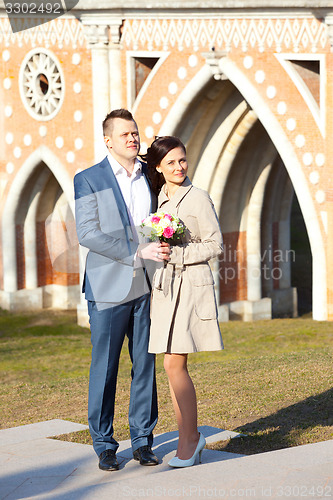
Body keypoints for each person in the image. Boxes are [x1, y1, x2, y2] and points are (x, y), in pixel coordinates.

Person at [74, 109, 170, 471]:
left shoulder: (150, 176)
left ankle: (143, 440)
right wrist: (135, 252)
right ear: (108, 140)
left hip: (147, 284)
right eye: (125, 134)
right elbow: (88, 233)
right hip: (107, 287)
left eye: (135, 133)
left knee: (145, 363)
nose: (133, 138)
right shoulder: (88, 179)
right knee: (106, 366)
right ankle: (104, 444)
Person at [144, 136, 224, 468]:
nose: (179, 167)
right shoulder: (160, 202)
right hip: (166, 290)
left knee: (173, 364)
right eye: (172, 162)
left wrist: (178, 254)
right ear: (159, 167)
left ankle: (190, 439)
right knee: (172, 365)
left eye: (183, 160)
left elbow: (216, 244)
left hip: (191, 287)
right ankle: (188, 437)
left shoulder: (198, 199)